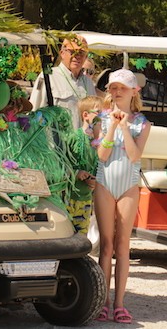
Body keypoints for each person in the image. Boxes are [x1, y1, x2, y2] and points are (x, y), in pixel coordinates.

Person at [94, 69, 151, 324]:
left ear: (133, 92)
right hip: (105, 183)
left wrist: (125, 127)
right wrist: (112, 126)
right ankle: (103, 301)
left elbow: (135, 155)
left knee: (123, 244)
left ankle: (119, 303)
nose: (117, 92)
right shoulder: (101, 119)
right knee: (106, 245)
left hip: (128, 185)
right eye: (113, 88)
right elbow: (102, 155)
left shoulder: (143, 123)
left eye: (122, 88)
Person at [29, 34, 96, 128]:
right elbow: (34, 112)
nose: (77, 56)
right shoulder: (48, 77)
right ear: (62, 53)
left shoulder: (88, 82)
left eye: (81, 53)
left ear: (86, 56)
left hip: (84, 137)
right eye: (72, 52)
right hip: (57, 137)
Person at [65, 95, 103, 234]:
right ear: (86, 115)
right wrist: (76, 173)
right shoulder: (73, 137)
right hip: (69, 196)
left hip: (87, 198)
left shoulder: (100, 142)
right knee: (67, 231)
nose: (102, 117)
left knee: (82, 232)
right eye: (98, 113)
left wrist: (95, 180)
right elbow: (63, 164)